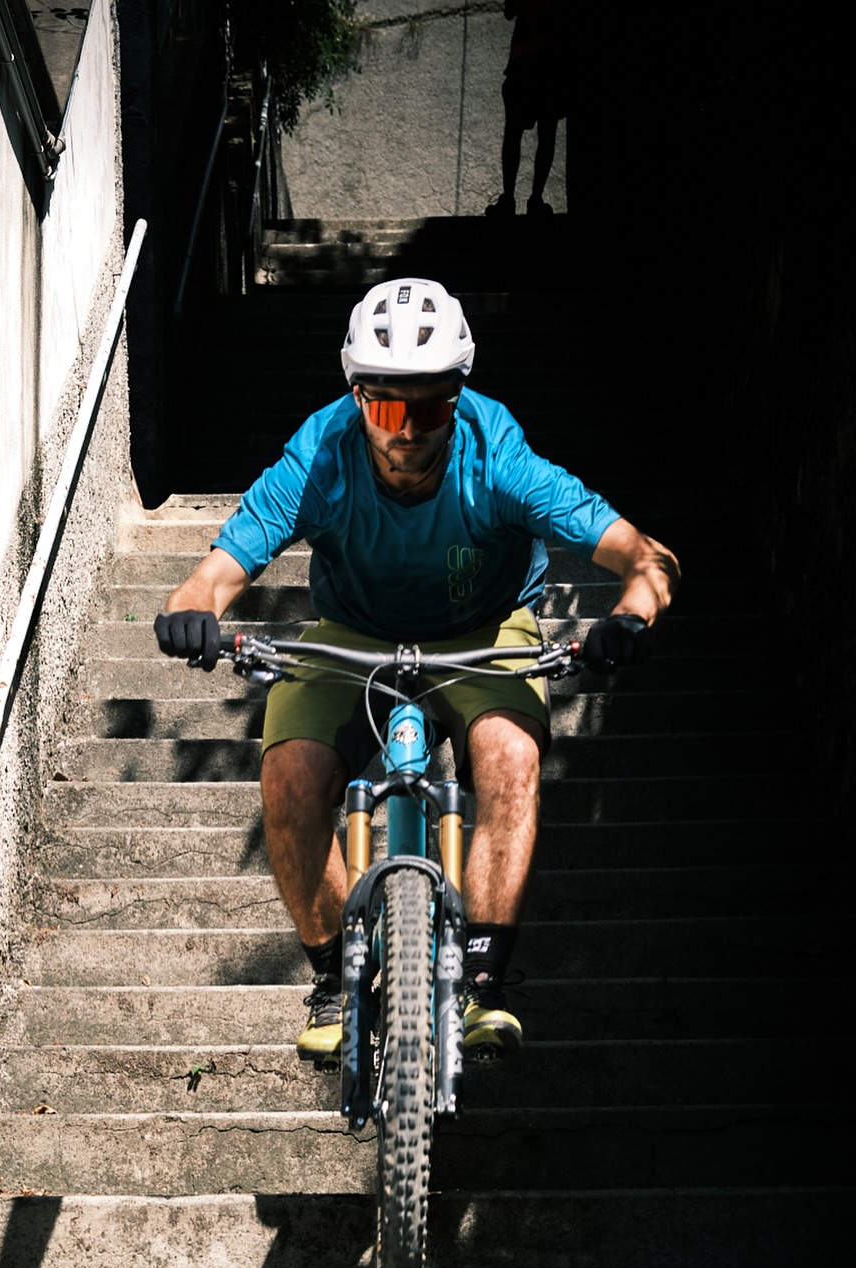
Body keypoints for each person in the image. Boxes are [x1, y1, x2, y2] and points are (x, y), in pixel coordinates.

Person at [155, 276, 678, 1061]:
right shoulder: (322, 454)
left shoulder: (496, 455)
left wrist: (631, 613)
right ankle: (334, 977)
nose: (405, 432)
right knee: (290, 777)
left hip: (483, 633)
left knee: (511, 757)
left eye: (427, 408)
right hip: (350, 634)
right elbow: (221, 567)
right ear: (357, 396)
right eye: (385, 407)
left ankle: (481, 983)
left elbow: (647, 556)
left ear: (457, 401)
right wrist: (195, 608)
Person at [485, 0, 569, 218]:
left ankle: (513, 198)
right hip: (547, 59)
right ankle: (532, 198)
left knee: (518, 132)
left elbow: (510, 10)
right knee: (543, 132)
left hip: (532, 58)